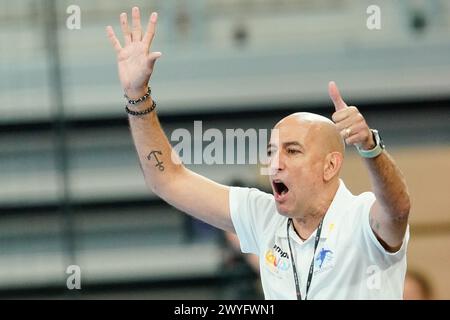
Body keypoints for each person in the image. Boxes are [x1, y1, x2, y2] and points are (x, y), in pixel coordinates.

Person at [106, 7, 411, 300]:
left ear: (330, 166)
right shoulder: (262, 215)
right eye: (271, 151)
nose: (275, 164)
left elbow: (397, 208)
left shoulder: (361, 217)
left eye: (292, 151)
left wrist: (370, 148)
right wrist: (137, 95)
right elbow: (168, 180)